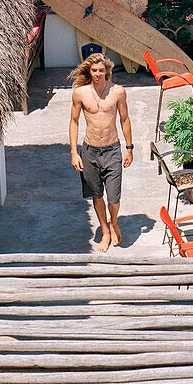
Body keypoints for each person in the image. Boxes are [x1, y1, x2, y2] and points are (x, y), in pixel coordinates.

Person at [69, 53, 133, 252]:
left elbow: (124, 120)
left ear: (107, 71)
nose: (97, 74)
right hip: (89, 151)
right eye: (94, 71)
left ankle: (114, 222)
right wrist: (73, 152)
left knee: (113, 197)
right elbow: (74, 122)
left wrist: (129, 149)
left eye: (101, 70)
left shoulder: (118, 92)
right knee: (97, 195)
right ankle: (105, 231)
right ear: (89, 71)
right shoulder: (80, 93)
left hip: (112, 150)